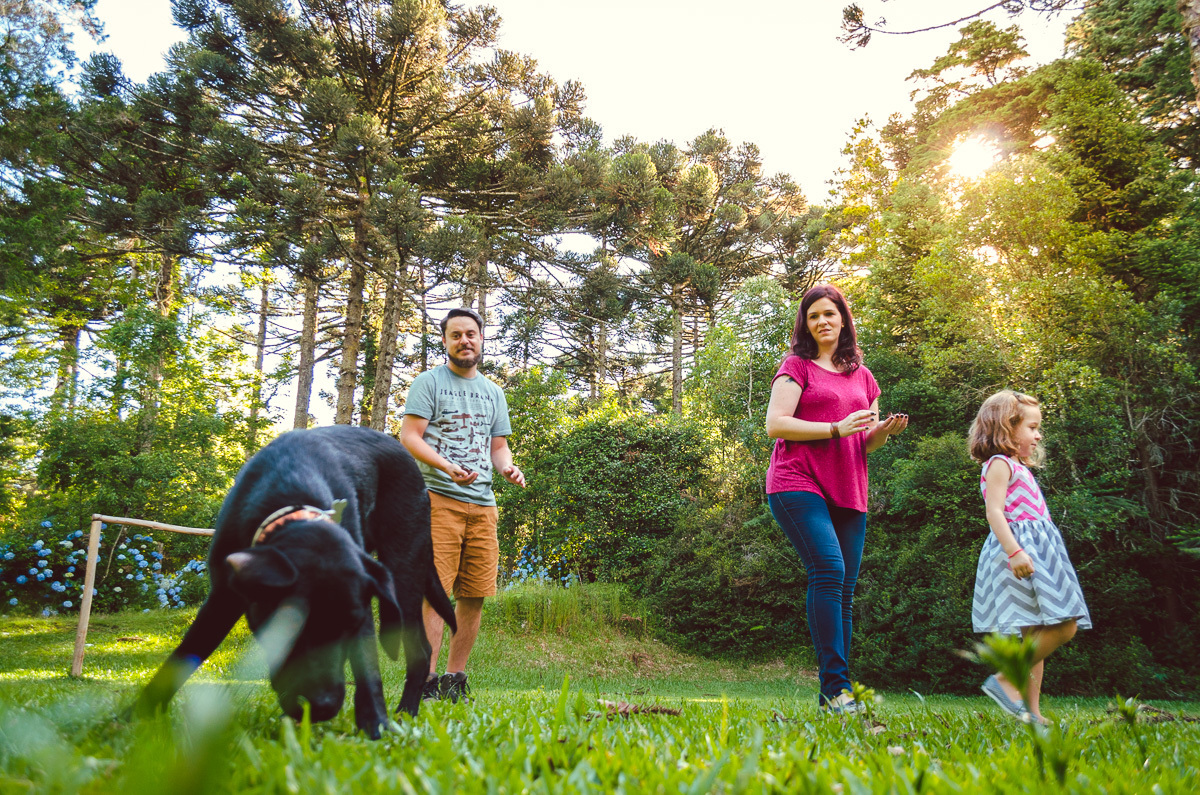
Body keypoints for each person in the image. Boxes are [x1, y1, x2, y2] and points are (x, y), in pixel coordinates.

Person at [765, 284, 908, 715]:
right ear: (805, 326)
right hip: (797, 481)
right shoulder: (797, 367)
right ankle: (838, 690)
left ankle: (835, 695)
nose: (822, 321)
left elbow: (862, 443)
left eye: (829, 313)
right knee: (828, 571)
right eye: (813, 317)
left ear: (843, 318)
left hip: (849, 487)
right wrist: (834, 428)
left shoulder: (864, 377)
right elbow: (776, 424)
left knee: (844, 590)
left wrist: (882, 433)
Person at [400, 307, 525, 703]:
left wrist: (508, 469)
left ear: (481, 339)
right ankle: (426, 681)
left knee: (474, 594)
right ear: (445, 341)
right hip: (439, 500)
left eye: (471, 334)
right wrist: (446, 466)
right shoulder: (429, 382)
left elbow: (499, 447)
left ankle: (455, 681)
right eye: (456, 335)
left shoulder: (494, 392)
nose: (464, 340)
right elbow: (410, 436)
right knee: (435, 593)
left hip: (483, 506)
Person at [969, 390, 1091, 724]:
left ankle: (1031, 712)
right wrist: (1015, 551)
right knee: (1067, 625)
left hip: (1037, 551)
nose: (1038, 435)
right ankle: (1006, 680)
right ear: (1006, 428)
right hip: (1018, 553)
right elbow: (994, 513)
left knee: (1035, 635)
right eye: (1032, 427)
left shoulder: (1019, 466)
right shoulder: (999, 464)